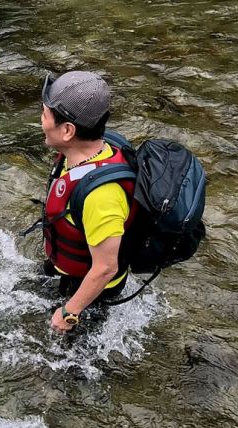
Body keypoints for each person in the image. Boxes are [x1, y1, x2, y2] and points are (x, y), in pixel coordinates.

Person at [39, 71, 136, 334]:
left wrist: (70, 313)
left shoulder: (101, 197)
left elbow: (105, 268)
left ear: (67, 130)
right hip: (67, 267)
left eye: (45, 114)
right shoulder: (83, 152)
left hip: (92, 291)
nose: (41, 120)